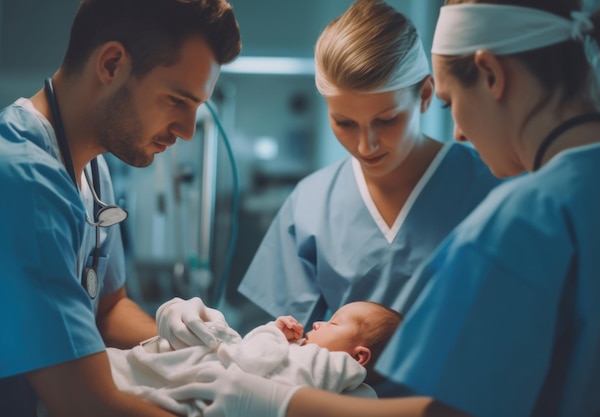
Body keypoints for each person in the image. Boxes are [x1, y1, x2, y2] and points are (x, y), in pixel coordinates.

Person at [169, 1, 600, 417]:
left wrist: (285, 404)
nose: (460, 133)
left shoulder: (520, 216)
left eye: (448, 104)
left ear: (485, 76)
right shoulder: (587, 190)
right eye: (344, 122)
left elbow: (451, 411)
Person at [0, 0, 241, 416]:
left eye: (196, 108)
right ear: (111, 64)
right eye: (176, 100)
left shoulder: (94, 169)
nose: (186, 131)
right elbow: (87, 401)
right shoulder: (22, 180)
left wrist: (190, 347)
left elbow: (107, 310)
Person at [238, 0, 501, 334]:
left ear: (424, 94)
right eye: (344, 122)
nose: (366, 145)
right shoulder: (311, 203)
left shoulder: (491, 185)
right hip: (338, 387)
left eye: (387, 120)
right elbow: (292, 341)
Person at [101, 299, 402, 416]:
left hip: (206, 380)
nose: (318, 324)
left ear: (359, 356)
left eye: (333, 323)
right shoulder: (353, 392)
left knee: (117, 374)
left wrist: (271, 331)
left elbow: (251, 363)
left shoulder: (328, 362)